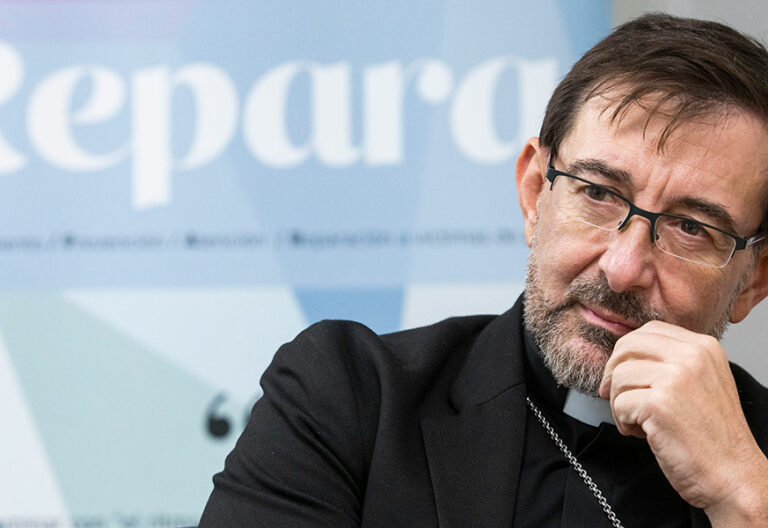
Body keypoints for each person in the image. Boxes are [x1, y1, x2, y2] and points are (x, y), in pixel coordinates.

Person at [199, 13, 768, 527]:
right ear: (534, 194)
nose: (622, 270)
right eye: (597, 193)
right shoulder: (348, 398)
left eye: (691, 228)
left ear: (755, 279)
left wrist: (744, 497)